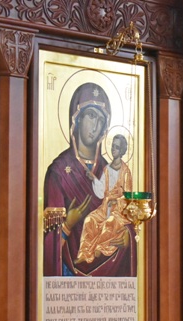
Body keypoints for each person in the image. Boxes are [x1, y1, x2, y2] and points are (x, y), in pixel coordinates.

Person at [43, 82, 136, 277]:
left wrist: (127, 237)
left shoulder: (110, 169)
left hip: (109, 271)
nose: (95, 125)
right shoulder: (59, 172)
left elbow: (125, 213)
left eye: (101, 120)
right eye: (91, 116)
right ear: (77, 119)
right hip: (68, 273)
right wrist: (67, 225)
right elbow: (46, 245)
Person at [76, 134, 133, 265]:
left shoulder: (125, 172)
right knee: (89, 220)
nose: (113, 149)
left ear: (122, 150)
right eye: (112, 146)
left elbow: (129, 196)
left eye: (117, 147)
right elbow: (102, 192)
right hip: (104, 207)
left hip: (119, 211)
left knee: (110, 222)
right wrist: (94, 179)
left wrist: (117, 201)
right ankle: (84, 253)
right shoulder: (106, 169)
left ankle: (99, 249)